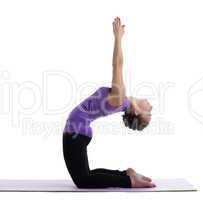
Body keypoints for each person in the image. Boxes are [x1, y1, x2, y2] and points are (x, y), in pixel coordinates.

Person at [62, 17, 155, 189]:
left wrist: (118, 37)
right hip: (78, 130)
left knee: (83, 181)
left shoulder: (119, 98)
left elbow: (117, 65)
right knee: (86, 176)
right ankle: (126, 174)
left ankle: (128, 180)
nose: (151, 108)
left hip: (75, 130)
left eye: (148, 114)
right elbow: (118, 66)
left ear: (136, 111)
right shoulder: (122, 101)